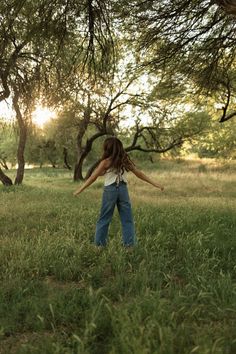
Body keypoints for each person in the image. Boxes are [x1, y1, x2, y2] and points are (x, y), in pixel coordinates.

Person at [73, 137, 164, 247]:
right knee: (127, 220)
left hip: (110, 190)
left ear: (107, 149)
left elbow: (93, 177)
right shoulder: (125, 161)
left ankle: (99, 246)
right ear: (120, 148)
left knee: (104, 219)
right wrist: (155, 183)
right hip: (122, 190)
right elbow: (139, 173)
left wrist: (80, 189)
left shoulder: (105, 162)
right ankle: (129, 246)